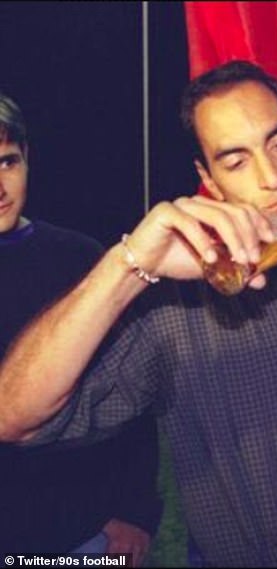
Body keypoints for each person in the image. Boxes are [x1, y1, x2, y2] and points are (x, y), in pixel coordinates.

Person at [0, 61, 277, 567]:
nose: (272, 176)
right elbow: (14, 418)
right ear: (208, 180)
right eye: (235, 161)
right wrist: (128, 266)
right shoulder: (175, 309)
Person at [0, 92, 162, 566]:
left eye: (7, 162)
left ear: (27, 158)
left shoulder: (83, 261)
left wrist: (134, 510)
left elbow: (136, 392)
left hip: (80, 534)